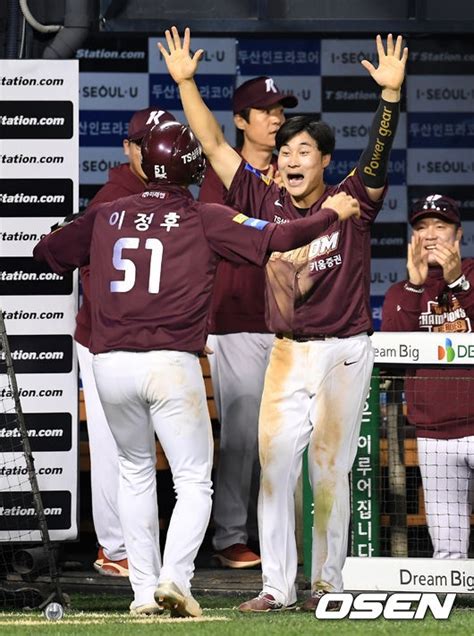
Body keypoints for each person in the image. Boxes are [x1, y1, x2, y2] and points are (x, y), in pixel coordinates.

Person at [34, 119, 361, 616]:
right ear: (189, 167)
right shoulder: (203, 215)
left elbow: (48, 254)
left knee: (134, 471)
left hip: (110, 366)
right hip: (170, 363)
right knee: (191, 481)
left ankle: (143, 593)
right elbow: (277, 237)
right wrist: (331, 213)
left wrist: (64, 231)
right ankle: (175, 578)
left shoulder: (106, 215)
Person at [158, 26, 407, 611]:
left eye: (305, 153)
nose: (293, 160)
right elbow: (215, 144)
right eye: (287, 151)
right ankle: (276, 586)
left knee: (328, 469)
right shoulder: (263, 198)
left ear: (324, 162)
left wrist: (389, 100)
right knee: (275, 468)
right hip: (289, 348)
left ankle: (329, 582)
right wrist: (187, 84)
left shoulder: (351, 200)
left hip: (345, 349)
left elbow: (378, 155)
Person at [200, 77, 297, 569]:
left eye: (280, 110)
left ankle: (275, 534)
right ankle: (230, 537)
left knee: (283, 436)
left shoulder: (294, 169)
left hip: (285, 321)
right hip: (236, 319)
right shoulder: (223, 175)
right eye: (264, 111)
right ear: (240, 121)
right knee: (240, 437)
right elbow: (219, 236)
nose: (276, 118)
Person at [74, 107, 175, 576]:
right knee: (116, 444)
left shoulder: (172, 193)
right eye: (146, 143)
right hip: (106, 339)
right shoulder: (113, 197)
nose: (154, 150)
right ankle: (114, 548)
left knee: (138, 447)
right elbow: (96, 282)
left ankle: (133, 547)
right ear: (130, 148)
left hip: (145, 343)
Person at [382, 194, 474, 559]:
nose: (431, 235)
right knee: (449, 550)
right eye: (421, 228)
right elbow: (390, 354)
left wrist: (457, 285)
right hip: (434, 432)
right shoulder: (401, 293)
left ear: (459, 234)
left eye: (440, 226)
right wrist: (416, 287)